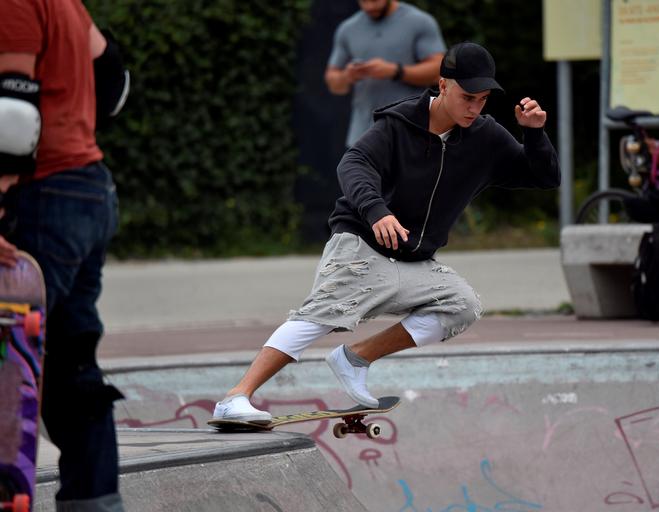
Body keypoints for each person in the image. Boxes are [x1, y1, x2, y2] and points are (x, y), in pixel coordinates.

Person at [212, 42, 560, 422]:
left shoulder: (485, 137)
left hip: (412, 259)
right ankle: (235, 396)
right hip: (360, 244)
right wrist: (376, 211)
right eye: (467, 97)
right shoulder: (399, 124)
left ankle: (355, 357)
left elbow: (544, 177)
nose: (475, 109)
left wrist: (534, 135)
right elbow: (354, 163)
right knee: (323, 314)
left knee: (462, 304)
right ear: (443, 86)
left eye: (483, 100)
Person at [0, 0, 129, 509]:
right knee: (71, 364)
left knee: (9, 356)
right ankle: (95, 501)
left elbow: (13, 103)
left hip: (39, 194)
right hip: (88, 188)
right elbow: (114, 80)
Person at [325, 0, 446, 147]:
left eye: (375, 0)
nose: (369, 6)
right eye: (364, 1)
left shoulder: (420, 21)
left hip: (411, 134)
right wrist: (347, 76)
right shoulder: (347, 29)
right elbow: (334, 84)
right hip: (363, 138)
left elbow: (438, 71)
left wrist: (396, 71)